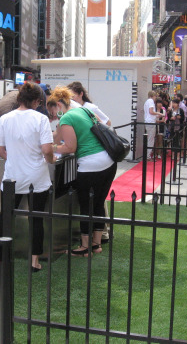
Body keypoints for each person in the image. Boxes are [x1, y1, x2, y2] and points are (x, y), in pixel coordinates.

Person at [0, 83, 55, 271]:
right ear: (36, 101)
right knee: (36, 219)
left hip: (12, 177)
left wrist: (16, 157)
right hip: (37, 178)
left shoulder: (5, 118)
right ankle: (34, 261)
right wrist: (50, 160)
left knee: (5, 217)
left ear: (19, 98)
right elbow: (47, 149)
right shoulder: (41, 119)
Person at [47, 87, 117, 256]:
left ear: (58, 104)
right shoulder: (84, 110)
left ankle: (85, 246)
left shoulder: (67, 118)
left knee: (86, 205)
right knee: (99, 203)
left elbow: (70, 147)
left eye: (53, 113)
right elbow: (101, 125)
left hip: (91, 165)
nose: (54, 117)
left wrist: (51, 148)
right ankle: (96, 244)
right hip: (109, 161)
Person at [144, 91, 163, 161]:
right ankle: (148, 156)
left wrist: (156, 114)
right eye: (155, 96)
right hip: (151, 122)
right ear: (153, 96)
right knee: (150, 139)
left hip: (148, 121)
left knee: (149, 138)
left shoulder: (147, 102)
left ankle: (148, 155)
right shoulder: (151, 101)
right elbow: (151, 111)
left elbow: (150, 113)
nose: (155, 98)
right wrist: (159, 113)